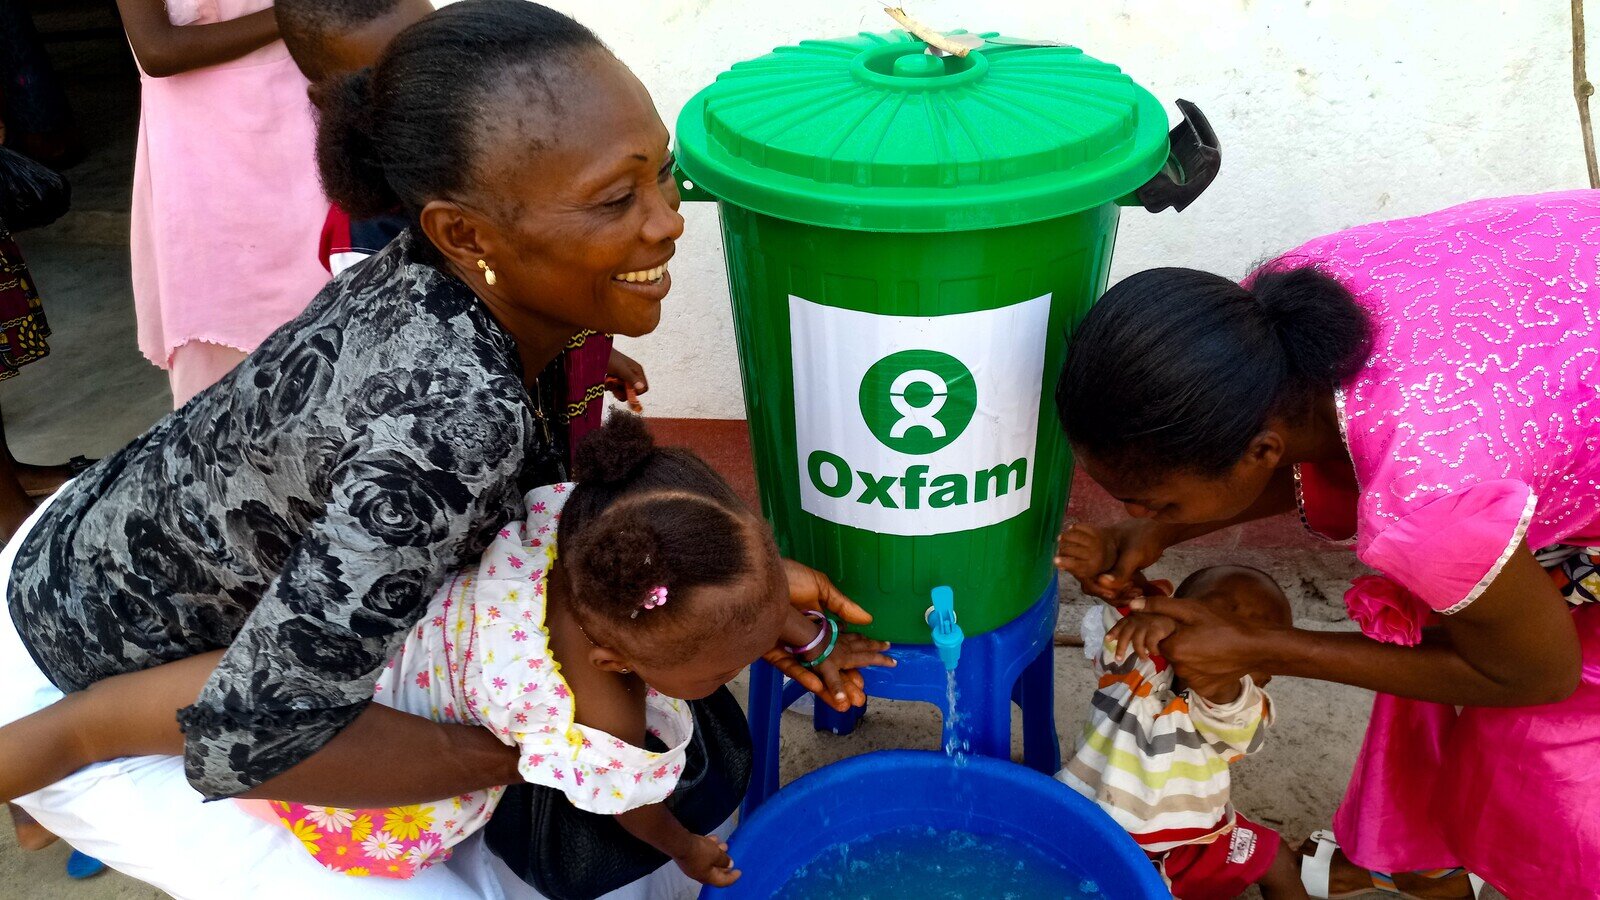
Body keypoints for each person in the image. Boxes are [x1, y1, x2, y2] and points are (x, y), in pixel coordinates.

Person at [1, 4, 851, 896]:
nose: (668, 220)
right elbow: (260, 733)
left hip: (111, 553)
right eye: (615, 198)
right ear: (466, 234)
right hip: (94, 676)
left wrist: (741, 593)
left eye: (663, 176)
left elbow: (532, 523)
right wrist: (542, 753)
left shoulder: (458, 295)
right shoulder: (450, 423)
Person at [0, 413, 891, 888]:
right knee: (205, 719)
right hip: (358, 753)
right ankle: (55, 767)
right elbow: (639, 818)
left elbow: (716, 584)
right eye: (714, 671)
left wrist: (806, 629)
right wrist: (690, 850)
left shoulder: (581, 527)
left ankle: (50, 770)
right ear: (624, 662)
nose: (722, 680)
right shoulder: (601, 728)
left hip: (342, 638)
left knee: (184, 697)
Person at [1054, 191, 1600, 899]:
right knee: (1446, 619)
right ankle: (1425, 858)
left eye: (1154, 499)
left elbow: (1534, 673)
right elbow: (1321, 453)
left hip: (1543, 403)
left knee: (1547, 757)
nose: (1135, 515)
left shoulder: (1426, 490)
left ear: (1260, 451)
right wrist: (1154, 527)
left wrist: (1264, 648)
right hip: (1565, 307)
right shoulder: (1270, 322)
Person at [276, 0, 649, 460]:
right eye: (385, 81)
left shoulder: (499, 186)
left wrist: (589, 351)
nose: (432, 87)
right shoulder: (365, 243)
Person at [118, 0, 330, 406]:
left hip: (293, 124)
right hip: (201, 154)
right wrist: (294, 15)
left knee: (324, 305)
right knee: (222, 342)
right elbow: (159, 50)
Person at [1058, 566, 1306, 900]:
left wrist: (1215, 673)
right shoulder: (1138, 666)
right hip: (1092, 826)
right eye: (1208, 616)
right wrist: (1126, 587)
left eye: (1243, 638)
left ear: (1264, 676)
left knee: (1277, 860)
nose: (1219, 640)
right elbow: (1122, 626)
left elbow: (1234, 713)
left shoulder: (1238, 707)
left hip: (1195, 844)